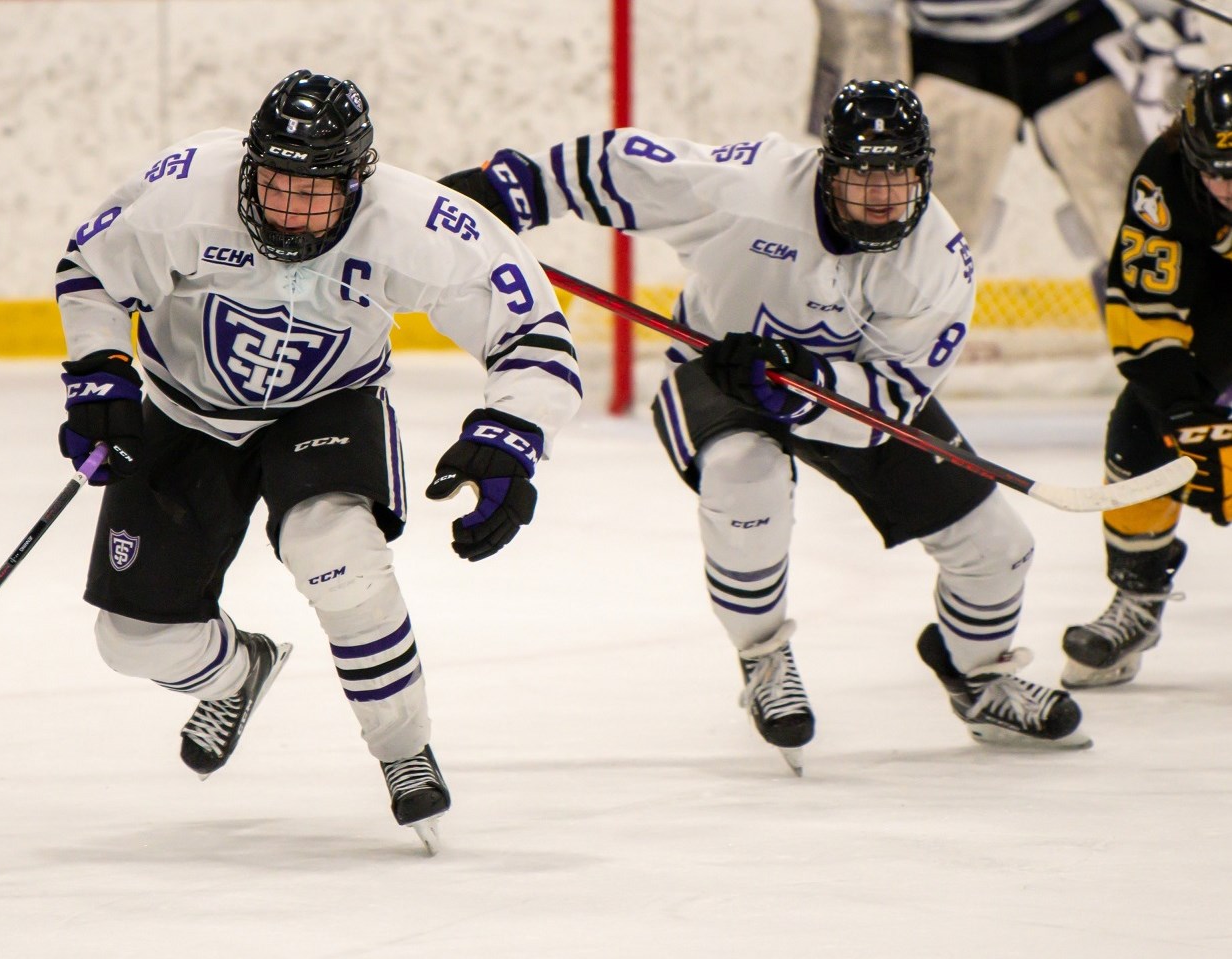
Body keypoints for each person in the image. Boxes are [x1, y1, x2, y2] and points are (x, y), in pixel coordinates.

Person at [440, 79, 1090, 773]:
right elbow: (621, 164)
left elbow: (891, 398)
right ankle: (762, 659)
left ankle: (979, 679)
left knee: (998, 545)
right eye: (861, 178)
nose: (878, 197)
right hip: (718, 368)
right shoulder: (745, 188)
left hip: (851, 396)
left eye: (896, 180)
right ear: (825, 166)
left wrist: (809, 386)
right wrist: (511, 189)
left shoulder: (936, 258)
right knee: (741, 477)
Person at [52, 69, 582, 849]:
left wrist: (509, 436)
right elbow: (90, 270)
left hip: (325, 406)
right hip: (183, 410)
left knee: (337, 555)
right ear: (247, 165)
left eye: (316, 191)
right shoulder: (184, 189)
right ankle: (238, 674)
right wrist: (97, 372)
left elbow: (534, 335)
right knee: (133, 640)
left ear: (358, 180)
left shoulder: (420, 222)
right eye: (273, 184)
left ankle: (403, 749)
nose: (290, 211)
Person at [808, 1, 1211, 302]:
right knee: (920, 240)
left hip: (1071, 35)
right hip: (951, 53)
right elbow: (857, 13)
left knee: (1138, 225)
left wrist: (1177, 29)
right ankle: (893, 376)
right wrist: (861, 102)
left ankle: (1171, 374)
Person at [1061, 64, 1232, 689]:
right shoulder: (1166, 173)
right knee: (1142, 424)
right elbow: (1142, 304)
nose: (1225, 186)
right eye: (1213, 169)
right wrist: (1182, 407)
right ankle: (1138, 600)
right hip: (1218, 299)